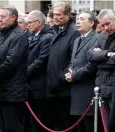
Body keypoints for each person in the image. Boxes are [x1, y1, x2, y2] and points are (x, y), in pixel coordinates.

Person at [0, 5, 29, 132]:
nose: (0, 19)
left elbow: (10, 62)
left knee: (12, 127)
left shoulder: (18, 36)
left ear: (13, 18)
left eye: (3, 17)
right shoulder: (3, 35)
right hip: (2, 91)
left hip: (13, 93)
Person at [46, 2, 80, 130]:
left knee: (67, 125)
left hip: (64, 88)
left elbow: (73, 60)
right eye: (54, 14)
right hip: (53, 87)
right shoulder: (55, 30)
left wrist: (61, 77)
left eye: (59, 15)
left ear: (67, 15)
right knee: (55, 124)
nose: (55, 17)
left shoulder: (73, 32)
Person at [65, 11, 99, 132]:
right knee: (79, 126)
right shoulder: (77, 40)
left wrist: (74, 75)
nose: (78, 21)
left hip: (87, 90)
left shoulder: (96, 38)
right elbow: (73, 60)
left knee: (89, 125)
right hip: (76, 90)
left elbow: (92, 65)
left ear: (91, 23)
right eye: (77, 19)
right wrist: (69, 71)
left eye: (82, 19)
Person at [87, 9, 115, 129]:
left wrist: (99, 60)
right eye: (103, 25)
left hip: (113, 87)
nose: (105, 27)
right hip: (102, 87)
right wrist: (107, 54)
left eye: (108, 23)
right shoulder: (102, 36)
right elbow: (90, 55)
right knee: (105, 125)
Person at [26, 10, 54, 132]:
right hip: (30, 84)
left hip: (39, 84)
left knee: (40, 120)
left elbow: (41, 60)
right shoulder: (31, 35)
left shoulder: (47, 37)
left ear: (38, 22)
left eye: (30, 23)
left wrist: (25, 72)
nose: (28, 25)